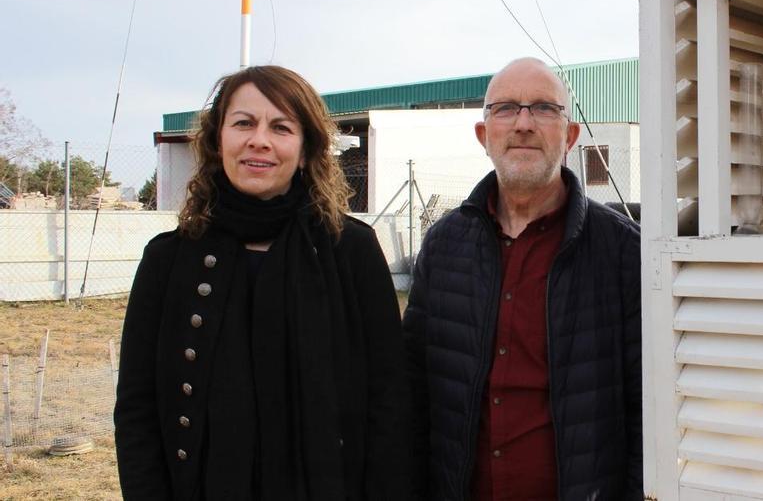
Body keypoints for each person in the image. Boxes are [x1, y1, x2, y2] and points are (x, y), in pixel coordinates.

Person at [114, 65, 408, 500]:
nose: (259, 140)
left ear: (306, 149)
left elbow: (390, 403)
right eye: (243, 123)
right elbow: (137, 409)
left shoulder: (353, 251)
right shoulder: (167, 260)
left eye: (281, 127)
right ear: (218, 140)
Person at [403, 58, 641, 500]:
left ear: (570, 136)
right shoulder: (443, 246)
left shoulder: (625, 253)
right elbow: (415, 396)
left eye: (544, 109)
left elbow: (647, 413)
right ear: (484, 135)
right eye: (506, 108)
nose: (524, 123)